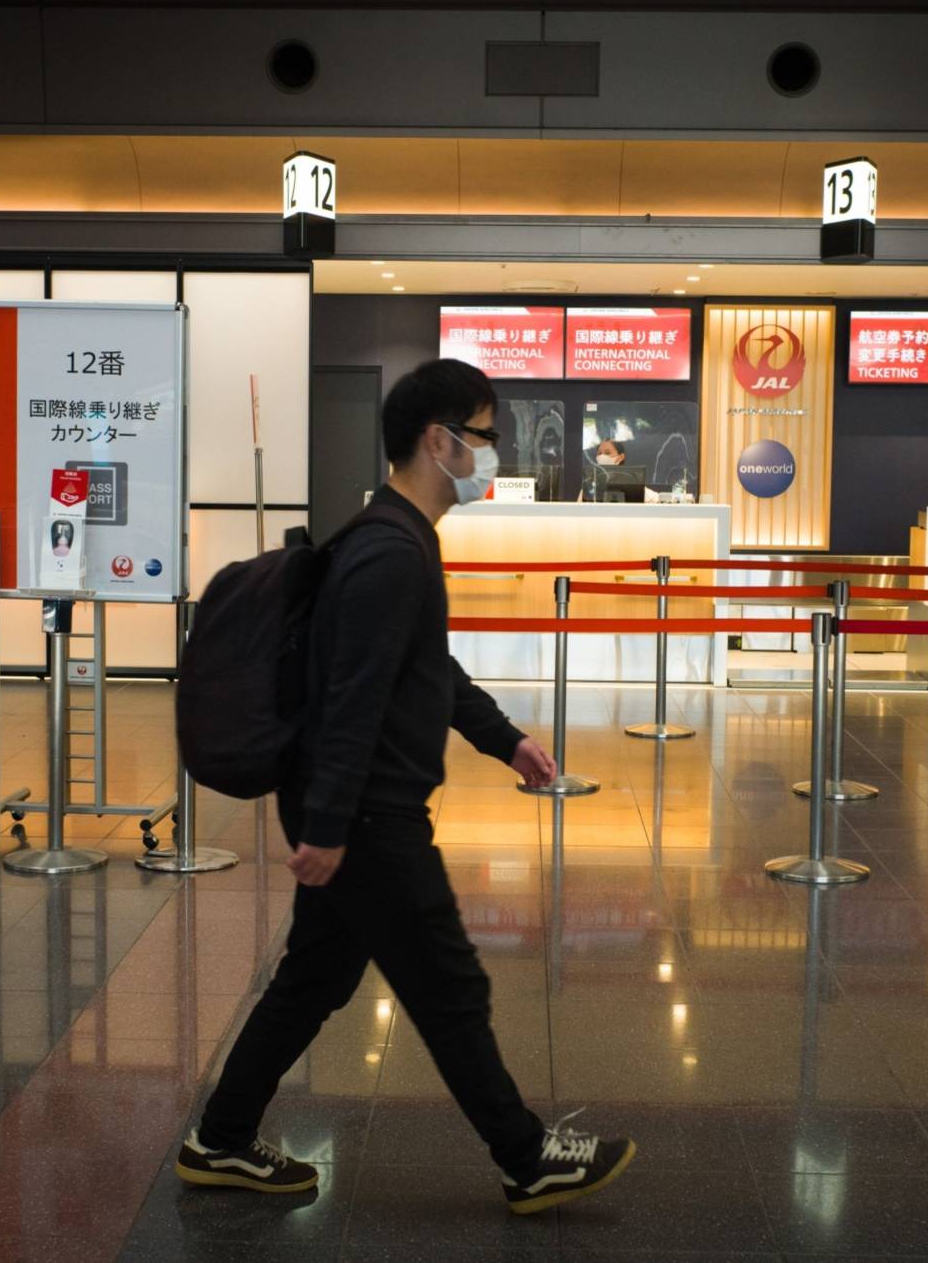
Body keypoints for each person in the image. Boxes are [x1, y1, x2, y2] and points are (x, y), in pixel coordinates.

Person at [176, 359, 636, 1214]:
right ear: (440, 440)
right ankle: (526, 1156)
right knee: (449, 986)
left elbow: (424, 670)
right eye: (487, 436)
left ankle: (221, 1138)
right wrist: (328, 826)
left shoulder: (391, 535)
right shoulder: (391, 550)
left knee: (312, 982)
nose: (492, 454)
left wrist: (507, 741)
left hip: (354, 808)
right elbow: (354, 699)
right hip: (370, 818)